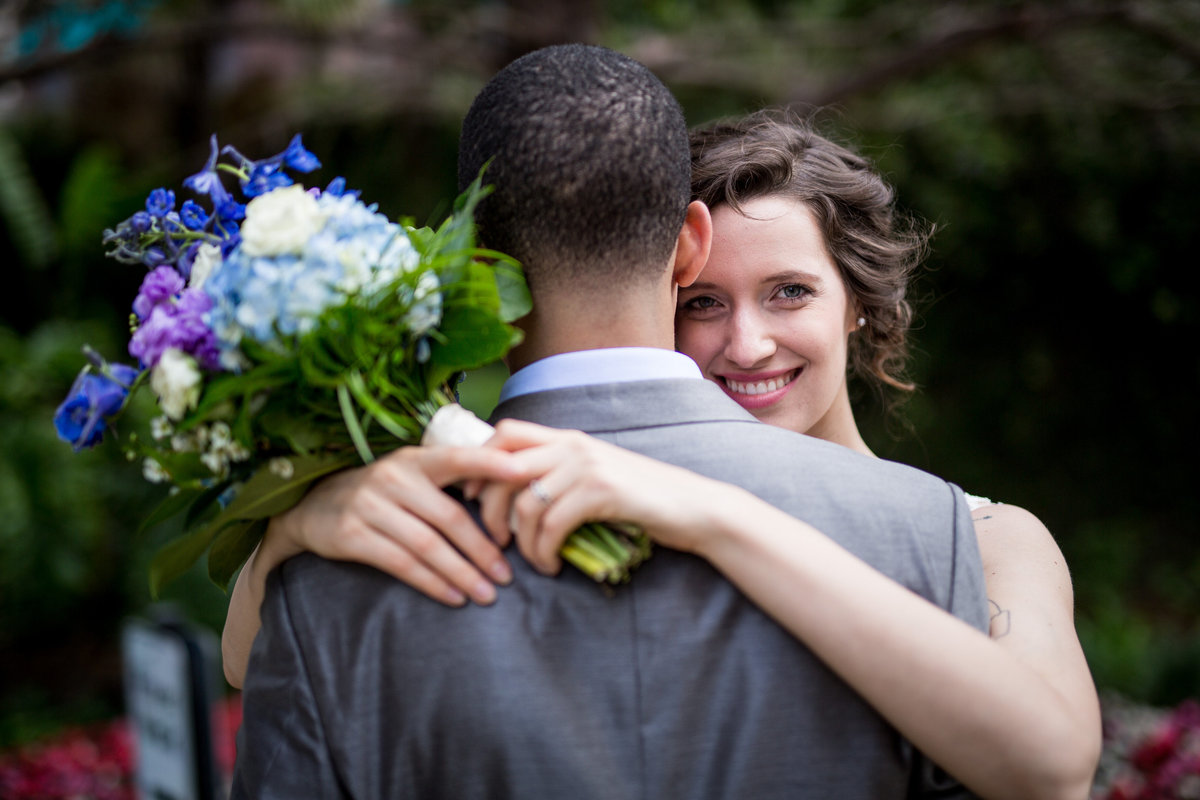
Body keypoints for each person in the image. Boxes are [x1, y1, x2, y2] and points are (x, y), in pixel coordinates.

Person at [230, 44, 991, 799]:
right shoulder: (925, 530)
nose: (749, 342)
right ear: (692, 245)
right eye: (713, 304)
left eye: (790, 292)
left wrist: (287, 539)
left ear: (472, 263)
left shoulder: (338, 574)